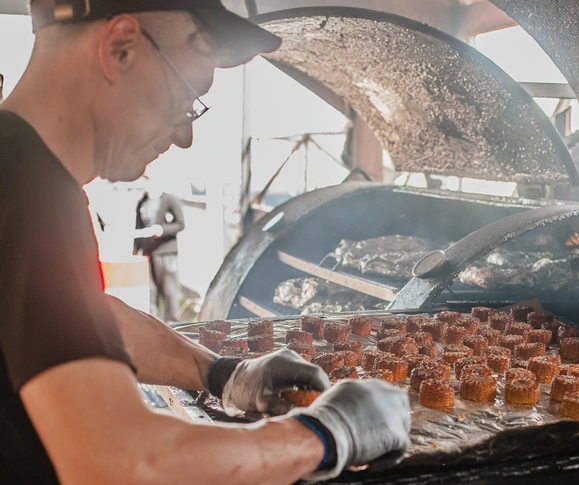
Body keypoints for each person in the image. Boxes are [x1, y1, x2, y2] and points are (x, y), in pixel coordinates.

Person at [0, 1, 411, 484]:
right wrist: (324, 435)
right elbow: (118, 464)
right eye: (186, 97)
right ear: (120, 48)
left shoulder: (16, 169)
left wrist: (221, 373)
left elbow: (75, 317)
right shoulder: (32, 192)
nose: (186, 135)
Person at [135, 178, 185, 323]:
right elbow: (138, 227)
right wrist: (136, 251)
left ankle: (173, 325)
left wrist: (162, 230)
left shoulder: (169, 200)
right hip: (148, 254)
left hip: (166, 254)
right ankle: (154, 324)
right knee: (150, 292)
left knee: (170, 293)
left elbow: (180, 224)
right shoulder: (142, 202)